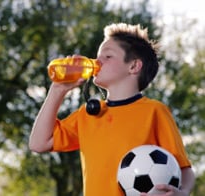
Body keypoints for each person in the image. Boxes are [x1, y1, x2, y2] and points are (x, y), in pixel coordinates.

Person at [29, 23, 195, 195]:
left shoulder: (155, 111)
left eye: (107, 56)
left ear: (133, 66)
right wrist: (57, 90)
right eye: (98, 56)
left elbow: (184, 170)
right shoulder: (88, 114)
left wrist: (182, 193)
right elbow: (38, 143)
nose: (97, 61)